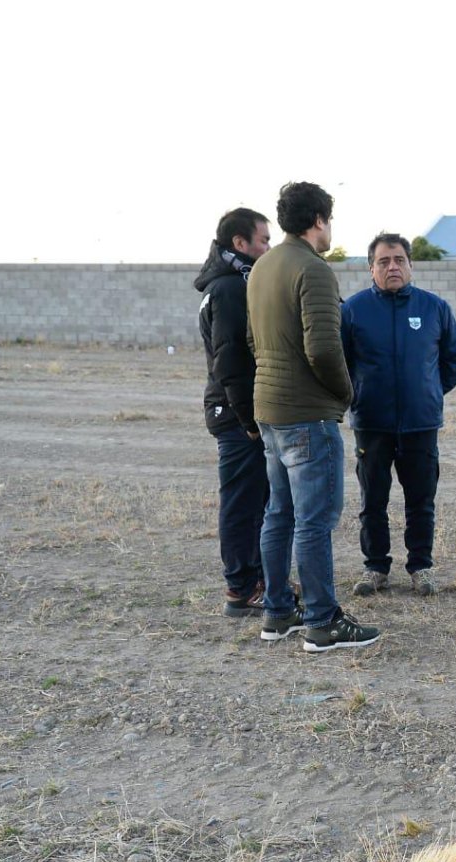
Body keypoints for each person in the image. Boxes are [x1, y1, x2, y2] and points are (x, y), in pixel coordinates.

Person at [246, 182, 380, 653]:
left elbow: (252, 340)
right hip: (307, 415)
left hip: (270, 409)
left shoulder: (262, 267)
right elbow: (323, 348)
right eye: (330, 220)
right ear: (319, 220)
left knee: (279, 514)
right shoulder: (313, 269)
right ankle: (322, 622)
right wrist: (345, 393)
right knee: (313, 521)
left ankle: (278, 611)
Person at [341, 232, 456, 597]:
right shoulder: (353, 310)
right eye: (383, 261)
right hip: (372, 423)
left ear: (410, 265)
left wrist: (430, 390)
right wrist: (356, 397)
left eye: (399, 260)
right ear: (371, 269)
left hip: (420, 423)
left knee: (420, 501)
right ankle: (375, 567)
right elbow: (340, 363)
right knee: (372, 501)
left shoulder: (434, 308)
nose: (392, 267)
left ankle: (421, 566)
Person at [195, 207, 272, 617]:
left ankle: (260, 578)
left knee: (257, 500)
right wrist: (248, 420)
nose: (269, 247)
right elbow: (230, 361)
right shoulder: (228, 289)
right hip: (236, 417)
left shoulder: (237, 282)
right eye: (264, 240)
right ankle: (241, 588)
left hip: (240, 413)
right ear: (240, 243)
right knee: (242, 504)